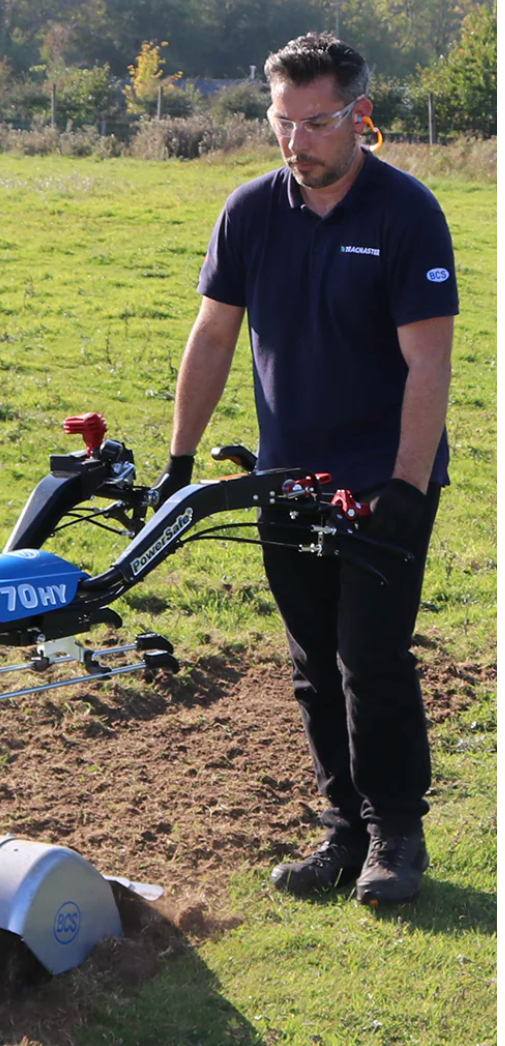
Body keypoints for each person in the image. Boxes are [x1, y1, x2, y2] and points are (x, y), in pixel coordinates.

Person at [158, 33, 458, 905]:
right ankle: (343, 832)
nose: (297, 143)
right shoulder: (251, 212)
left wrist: (405, 486)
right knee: (312, 660)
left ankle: (397, 835)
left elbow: (429, 364)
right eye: (282, 123)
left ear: (360, 116)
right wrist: (181, 461)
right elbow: (214, 336)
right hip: (288, 478)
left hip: (381, 479)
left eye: (317, 123)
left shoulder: (406, 214)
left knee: (371, 653)